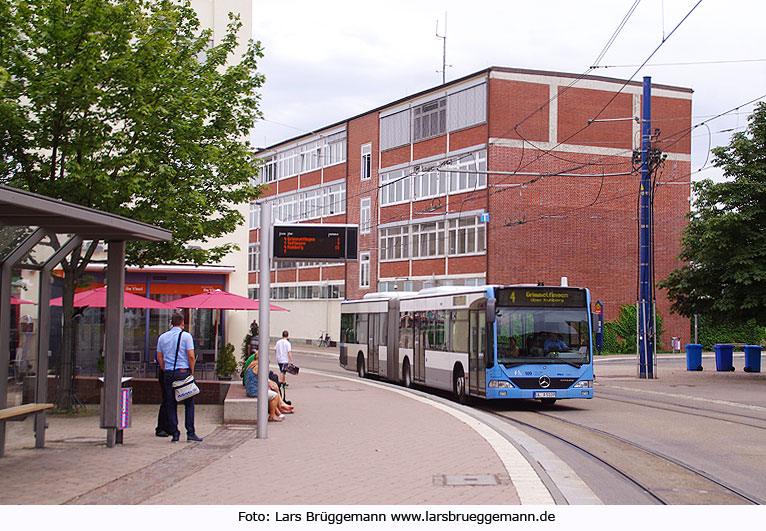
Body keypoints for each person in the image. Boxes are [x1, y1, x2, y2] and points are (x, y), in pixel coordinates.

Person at [157, 312, 203, 442]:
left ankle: (175, 433)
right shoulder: (186, 336)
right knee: (189, 403)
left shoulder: (162, 337)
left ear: (171, 323)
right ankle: (190, 432)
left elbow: (159, 357)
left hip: (168, 373)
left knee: (171, 403)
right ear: (182, 323)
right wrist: (191, 371)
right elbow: (191, 356)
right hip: (183, 372)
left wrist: (165, 368)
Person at [245, 351, 293, 420]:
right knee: (274, 395)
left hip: (250, 389)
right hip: (254, 391)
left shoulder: (252, 364)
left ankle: (279, 412)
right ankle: (272, 416)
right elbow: (264, 381)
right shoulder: (259, 367)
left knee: (272, 391)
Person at [154, 350, 173, 437]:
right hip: (172, 371)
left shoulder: (163, 338)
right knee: (168, 400)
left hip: (166, 371)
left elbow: (159, 357)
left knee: (168, 400)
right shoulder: (184, 337)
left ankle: (167, 426)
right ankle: (163, 427)